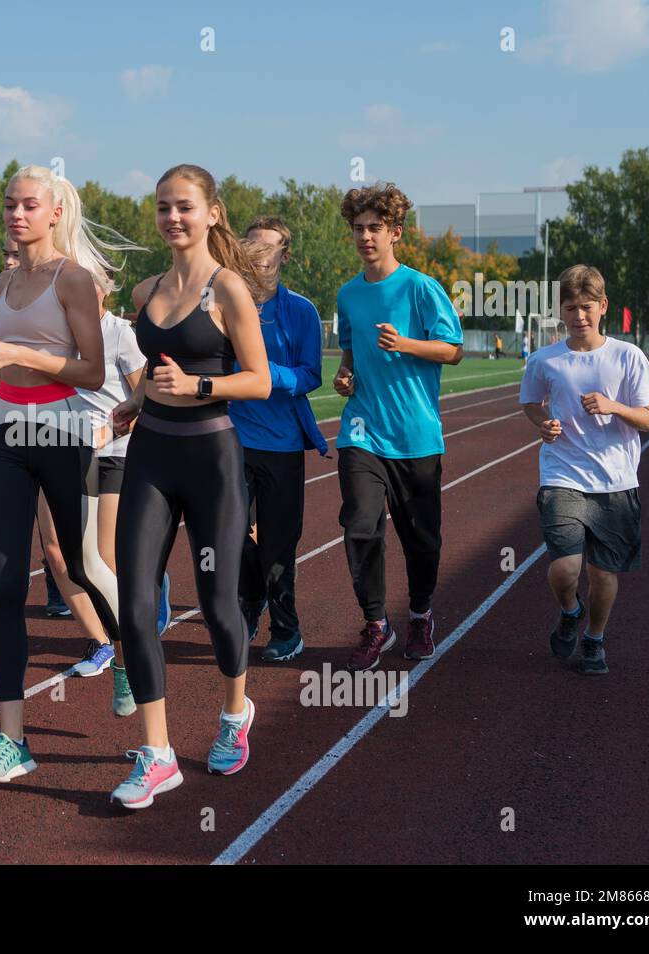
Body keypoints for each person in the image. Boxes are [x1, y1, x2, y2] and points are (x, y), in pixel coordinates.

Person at [0, 164, 138, 788]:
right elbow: (17, 356)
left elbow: (91, 371)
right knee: (7, 585)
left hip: (65, 434)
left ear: (55, 212)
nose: (15, 213)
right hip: (9, 434)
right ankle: (12, 738)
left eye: (28, 204)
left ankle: (128, 657)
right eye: (9, 203)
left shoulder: (75, 279)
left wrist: (19, 356)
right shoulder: (3, 280)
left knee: (87, 565)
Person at [107, 164, 271, 809]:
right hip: (150, 454)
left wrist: (199, 387)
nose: (172, 218)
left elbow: (258, 379)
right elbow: (154, 366)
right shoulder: (147, 288)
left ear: (212, 213)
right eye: (163, 208)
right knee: (135, 603)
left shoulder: (226, 288)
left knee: (218, 603)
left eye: (184, 207)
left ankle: (235, 711)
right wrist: (137, 398)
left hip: (213, 459)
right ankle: (158, 754)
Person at [331, 182, 464, 672]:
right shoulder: (348, 294)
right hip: (362, 430)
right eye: (359, 228)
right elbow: (349, 351)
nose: (366, 236)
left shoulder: (421, 288)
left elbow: (454, 350)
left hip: (415, 435)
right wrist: (346, 375)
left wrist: (406, 344)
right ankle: (374, 622)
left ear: (395, 233)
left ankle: (421, 614)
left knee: (421, 539)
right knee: (360, 525)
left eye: (375, 228)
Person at [34, 279, 171, 718]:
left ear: (104, 289)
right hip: (58, 451)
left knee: (100, 559)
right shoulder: (55, 333)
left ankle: (129, 653)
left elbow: (143, 397)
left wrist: (111, 430)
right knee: (58, 555)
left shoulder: (120, 333)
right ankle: (102, 642)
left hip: (112, 453)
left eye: (87, 282)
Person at [518, 265, 649, 675]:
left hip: (616, 481)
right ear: (560, 311)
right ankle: (569, 609)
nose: (579, 315)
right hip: (562, 474)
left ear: (603, 307)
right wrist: (541, 423)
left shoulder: (627, 355)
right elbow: (530, 402)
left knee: (603, 576)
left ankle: (594, 639)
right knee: (565, 568)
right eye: (570, 307)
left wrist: (613, 405)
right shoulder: (546, 359)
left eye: (586, 307)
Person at [231, 218, 327, 664]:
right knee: (227, 534)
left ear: (284, 256)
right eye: (251, 247)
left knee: (277, 546)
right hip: (230, 439)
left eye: (267, 248)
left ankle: (286, 630)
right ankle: (251, 598)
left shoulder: (302, 312)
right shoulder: (226, 304)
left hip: (283, 444)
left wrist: (263, 378)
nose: (258, 256)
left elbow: (311, 374)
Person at [0, 235, 70, 621]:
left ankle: (62, 586)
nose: (13, 261)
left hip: (58, 417)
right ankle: (7, 588)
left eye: (19, 254)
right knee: (7, 513)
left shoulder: (63, 284)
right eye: (8, 255)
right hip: (9, 415)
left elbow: (85, 364)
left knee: (57, 525)